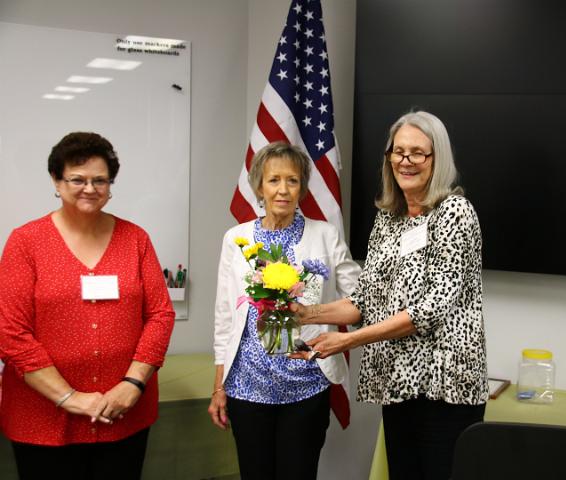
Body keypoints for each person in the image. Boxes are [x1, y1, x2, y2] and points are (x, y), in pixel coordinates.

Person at [291, 111, 487, 479]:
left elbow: (430, 309)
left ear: (437, 158)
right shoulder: (388, 219)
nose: (405, 161)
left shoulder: (455, 213)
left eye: (418, 152)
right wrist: (305, 314)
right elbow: (364, 301)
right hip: (397, 385)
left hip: (444, 389)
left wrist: (347, 342)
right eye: (398, 151)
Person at [0, 132, 175, 479]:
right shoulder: (26, 242)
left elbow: (160, 315)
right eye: (77, 179)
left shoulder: (136, 239)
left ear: (110, 185)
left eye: (100, 180)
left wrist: (133, 384)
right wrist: (70, 398)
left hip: (124, 412)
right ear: (56, 181)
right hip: (42, 418)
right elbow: (10, 331)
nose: (89, 189)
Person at [208, 141, 360, 480]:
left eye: (292, 180)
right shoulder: (236, 238)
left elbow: (360, 299)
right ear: (259, 187)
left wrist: (313, 312)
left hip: (307, 385)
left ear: (302, 187)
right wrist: (219, 387)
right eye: (274, 180)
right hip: (247, 386)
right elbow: (224, 318)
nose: (283, 189)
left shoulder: (325, 235)